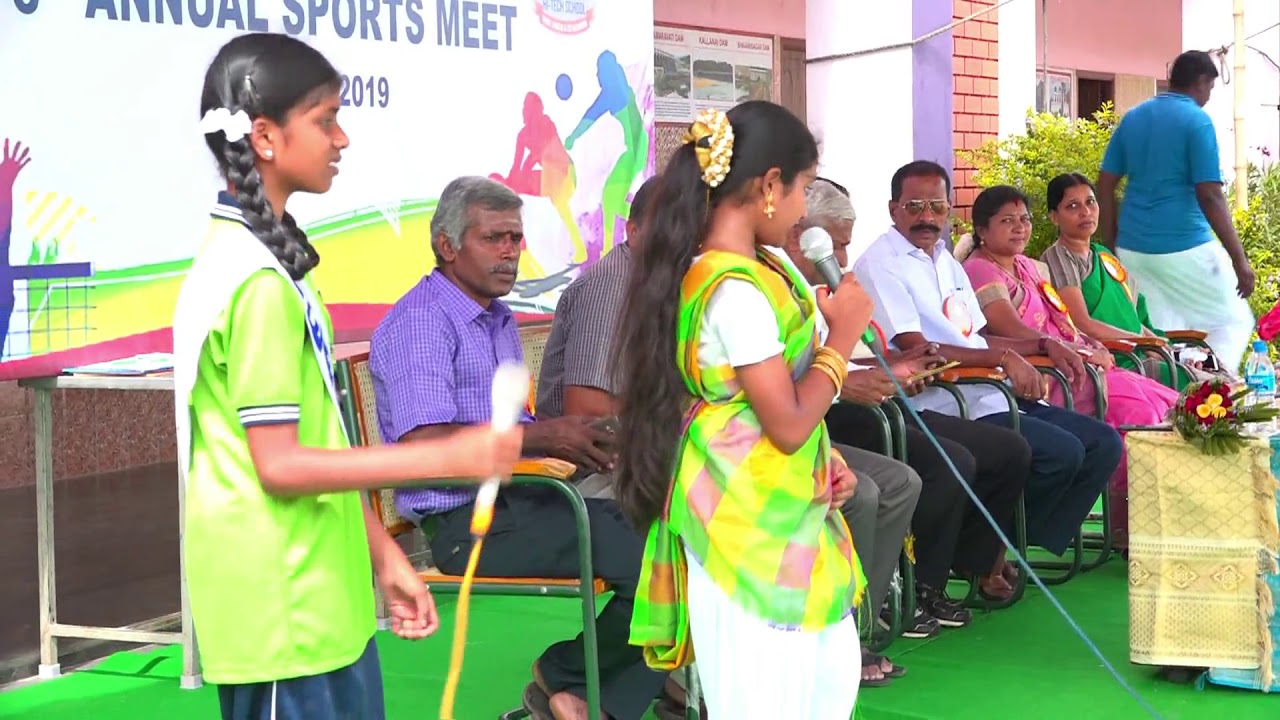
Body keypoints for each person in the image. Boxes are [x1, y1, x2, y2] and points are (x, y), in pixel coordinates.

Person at [172, 34, 522, 720]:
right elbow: (278, 464)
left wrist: (384, 558)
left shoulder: (277, 262)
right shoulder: (253, 280)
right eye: (326, 119)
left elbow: (321, 434)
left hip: (323, 599)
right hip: (282, 608)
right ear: (266, 137)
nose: (344, 138)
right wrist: (445, 454)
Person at [543, 175, 921, 689]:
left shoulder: (724, 274)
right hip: (634, 461)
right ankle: (619, 682)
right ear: (635, 230)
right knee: (808, 503)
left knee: (878, 483)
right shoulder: (621, 284)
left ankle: (834, 636)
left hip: (748, 443)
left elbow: (759, 390)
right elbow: (590, 412)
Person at [369, 175, 669, 720]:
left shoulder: (495, 316)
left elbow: (517, 433)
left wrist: (580, 444)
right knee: (658, 561)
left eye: (516, 239)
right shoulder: (422, 322)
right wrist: (543, 437)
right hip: (468, 523)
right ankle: (570, 678)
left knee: (675, 535)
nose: (510, 253)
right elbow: (421, 446)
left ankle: (579, 689)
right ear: (447, 245)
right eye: (494, 239)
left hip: (525, 497)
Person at [615, 101, 867, 717]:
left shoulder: (770, 266)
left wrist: (825, 459)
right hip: (742, 515)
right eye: (805, 188)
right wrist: (842, 340)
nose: (807, 209)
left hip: (786, 501)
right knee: (765, 697)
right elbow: (782, 423)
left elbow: (784, 408)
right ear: (770, 185)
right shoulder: (730, 289)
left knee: (827, 681)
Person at [855, 160, 1123, 567]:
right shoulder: (881, 263)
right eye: (914, 207)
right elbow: (918, 349)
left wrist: (1044, 343)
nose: (927, 217)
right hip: (942, 401)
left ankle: (1001, 548)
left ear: (949, 209)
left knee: (1102, 442)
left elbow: (976, 337)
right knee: (1059, 452)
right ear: (893, 209)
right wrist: (1005, 356)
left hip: (988, 393)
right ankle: (988, 555)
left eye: (937, 206)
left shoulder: (943, 260)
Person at [789, 179, 1031, 612]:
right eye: (836, 247)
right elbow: (805, 371)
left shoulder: (820, 284)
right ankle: (896, 598)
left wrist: (892, 369)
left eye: (937, 205)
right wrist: (855, 375)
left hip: (866, 394)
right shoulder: (783, 286)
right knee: (943, 464)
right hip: (827, 411)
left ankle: (960, 573)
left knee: (1009, 447)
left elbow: (847, 357)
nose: (843, 260)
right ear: (800, 235)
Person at [961, 185, 1180, 549]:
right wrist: (1068, 349)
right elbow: (1010, 330)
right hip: (1041, 375)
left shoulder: (1032, 267)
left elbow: (1062, 321)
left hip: (1072, 363)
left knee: (1166, 402)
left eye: (1024, 219)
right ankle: (1123, 528)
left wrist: (1086, 343)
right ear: (982, 230)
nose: (1020, 227)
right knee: (1137, 414)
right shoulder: (980, 271)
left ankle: (1159, 520)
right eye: (1007, 221)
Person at [1096, 50, 1255, 373]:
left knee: (1162, 334)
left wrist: (1111, 245)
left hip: (1133, 249)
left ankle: (1174, 403)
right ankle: (1215, 396)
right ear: (1200, 82)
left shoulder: (1134, 117)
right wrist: (1240, 260)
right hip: (1184, 245)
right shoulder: (1197, 120)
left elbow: (1104, 184)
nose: (1208, 96)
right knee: (1234, 320)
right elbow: (1209, 194)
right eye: (1210, 87)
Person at [1041, 172, 1218, 387]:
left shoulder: (1105, 257)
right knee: (1210, 388)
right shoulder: (1059, 256)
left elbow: (1134, 322)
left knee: (1218, 372)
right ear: (1054, 216)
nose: (1085, 212)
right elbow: (1081, 324)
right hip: (1115, 360)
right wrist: (1144, 344)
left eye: (1090, 202)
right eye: (1072, 206)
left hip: (1140, 352)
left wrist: (1167, 351)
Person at [564, 50, 649, 258]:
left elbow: (591, 115)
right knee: (614, 201)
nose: (596, 76)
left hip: (636, 149)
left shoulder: (612, 93)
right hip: (638, 146)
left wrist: (573, 137)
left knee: (610, 197)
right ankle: (648, 225)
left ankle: (609, 249)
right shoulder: (622, 89)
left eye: (598, 71)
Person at [490, 91, 579, 270]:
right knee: (512, 187)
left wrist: (523, 171)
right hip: (548, 177)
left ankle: (578, 246)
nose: (527, 113)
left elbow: (545, 152)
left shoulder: (546, 124)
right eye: (526, 109)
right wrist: (507, 183)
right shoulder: (523, 136)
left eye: (531, 109)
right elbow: (517, 166)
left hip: (564, 174)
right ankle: (518, 241)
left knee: (561, 205)